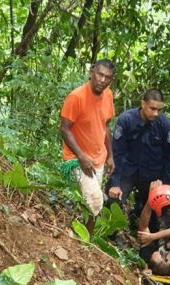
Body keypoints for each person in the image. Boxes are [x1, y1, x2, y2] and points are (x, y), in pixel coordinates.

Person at [105, 89, 170, 232]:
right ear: (143, 104)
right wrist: (115, 183)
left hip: (152, 175)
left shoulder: (165, 126)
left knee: (155, 210)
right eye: (153, 108)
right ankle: (108, 236)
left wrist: (164, 185)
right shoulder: (126, 120)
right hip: (128, 170)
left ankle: (148, 244)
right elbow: (117, 153)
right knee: (113, 200)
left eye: (160, 110)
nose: (156, 113)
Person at [60, 59, 115, 226]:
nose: (102, 80)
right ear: (92, 73)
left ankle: (85, 240)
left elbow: (105, 126)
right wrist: (81, 156)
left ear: (111, 80)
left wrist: (110, 156)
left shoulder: (108, 95)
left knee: (91, 205)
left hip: (98, 158)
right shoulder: (76, 97)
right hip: (77, 158)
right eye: (99, 74)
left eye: (107, 77)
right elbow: (64, 129)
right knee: (96, 200)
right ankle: (84, 243)